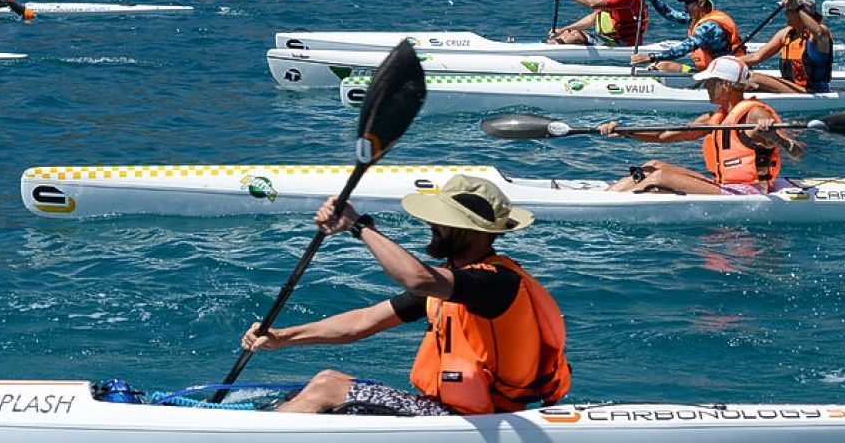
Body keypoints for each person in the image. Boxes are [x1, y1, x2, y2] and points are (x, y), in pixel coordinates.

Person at [241, 175, 571, 416]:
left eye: (441, 221)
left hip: (475, 423)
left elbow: (415, 278)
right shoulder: (447, 285)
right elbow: (363, 322)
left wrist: (358, 227)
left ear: (469, 231)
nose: (431, 224)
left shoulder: (496, 283)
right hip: (447, 413)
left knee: (327, 387)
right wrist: (283, 337)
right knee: (316, 385)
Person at [598, 56, 805, 195]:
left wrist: (775, 138)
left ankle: (614, 205)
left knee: (661, 177)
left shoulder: (754, 114)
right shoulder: (714, 118)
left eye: (710, 82)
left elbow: (798, 153)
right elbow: (665, 135)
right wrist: (625, 131)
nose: (706, 87)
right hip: (723, 185)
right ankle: (608, 197)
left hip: (749, 191)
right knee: (654, 166)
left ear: (726, 84)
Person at [631, 0, 745, 72]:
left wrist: (651, 57)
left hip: (725, 75)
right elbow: (670, 14)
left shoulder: (710, 27)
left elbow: (684, 48)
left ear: (701, 2)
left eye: (688, 3)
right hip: (709, 71)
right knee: (662, 65)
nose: (685, 8)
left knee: (659, 64)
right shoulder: (696, 18)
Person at [738, 0, 833, 94]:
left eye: (789, 10)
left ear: (801, 12)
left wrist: (797, 7)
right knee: (741, 80)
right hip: (791, 87)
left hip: (813, 91)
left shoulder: (819, 34)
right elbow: (755, 57)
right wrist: (724, 61)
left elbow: (818, 32)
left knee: (754, 79)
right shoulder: (786, 34)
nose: (785, 13)